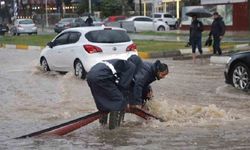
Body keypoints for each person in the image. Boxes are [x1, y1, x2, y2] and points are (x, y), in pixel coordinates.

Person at [86, 55, 142, 129]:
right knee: (119, 101)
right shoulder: (131, 66)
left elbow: (115, 83)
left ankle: (102, 126)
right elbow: (123, 86)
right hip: (101, 77)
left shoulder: (121, 64)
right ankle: (113, 130)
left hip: (90, 75)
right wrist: (126, 102)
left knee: (104, 104)